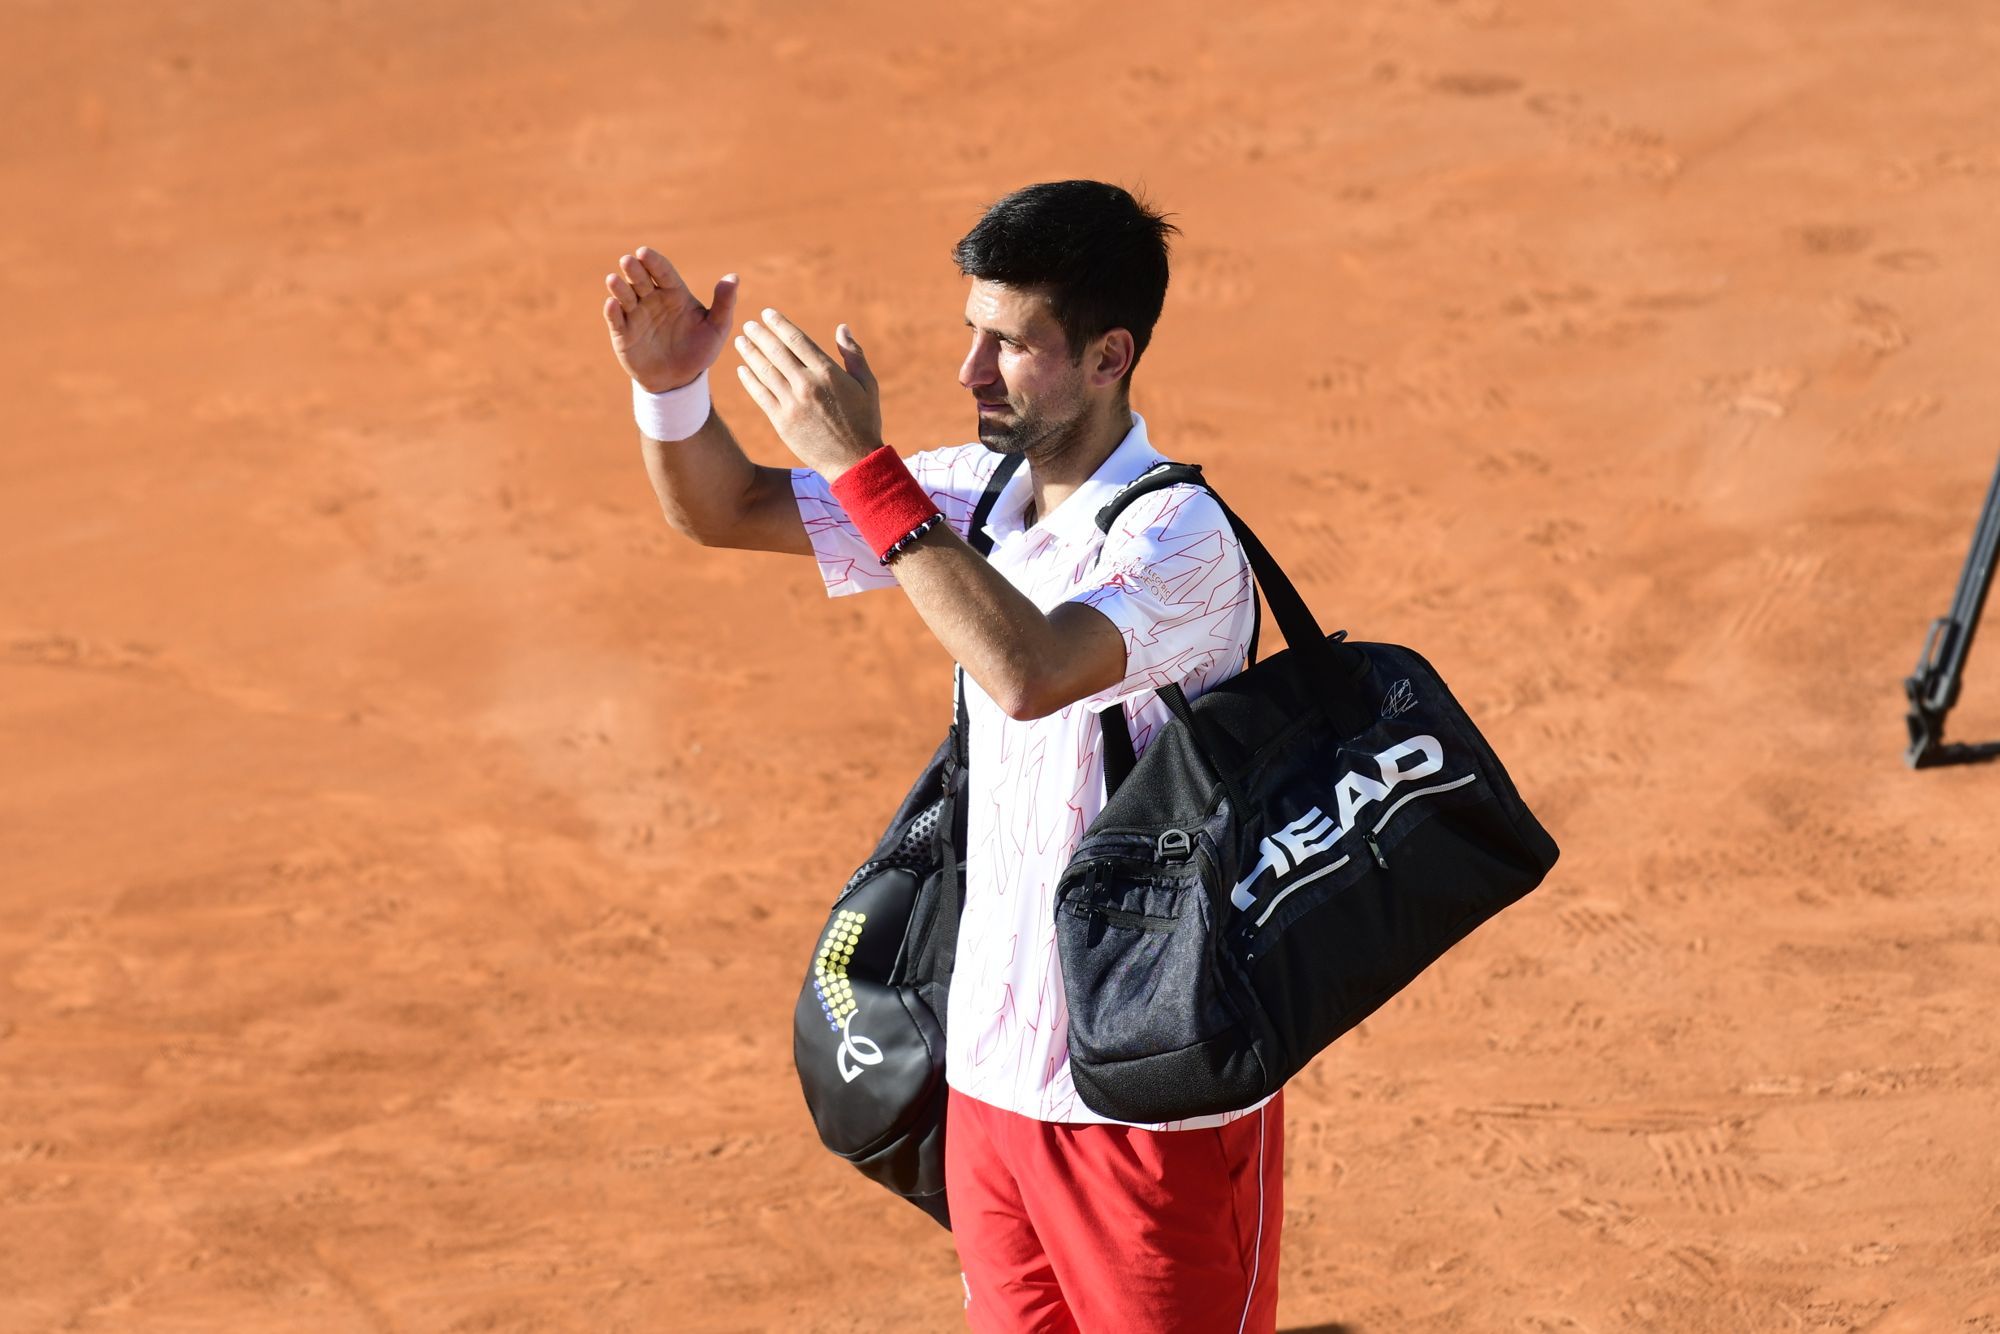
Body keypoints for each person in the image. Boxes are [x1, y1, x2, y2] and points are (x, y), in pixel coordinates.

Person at [603, 180, 1280, 1333]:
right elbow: (723, 505)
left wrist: (865, 467)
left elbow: (1025, 668)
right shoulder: (972, 501)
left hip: (1148, 1100)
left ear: (1109, 354)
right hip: (990, 1084)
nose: (968, 368)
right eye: (972, 328)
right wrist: (671, 391)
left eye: (1008, 342)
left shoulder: (1180, 540)